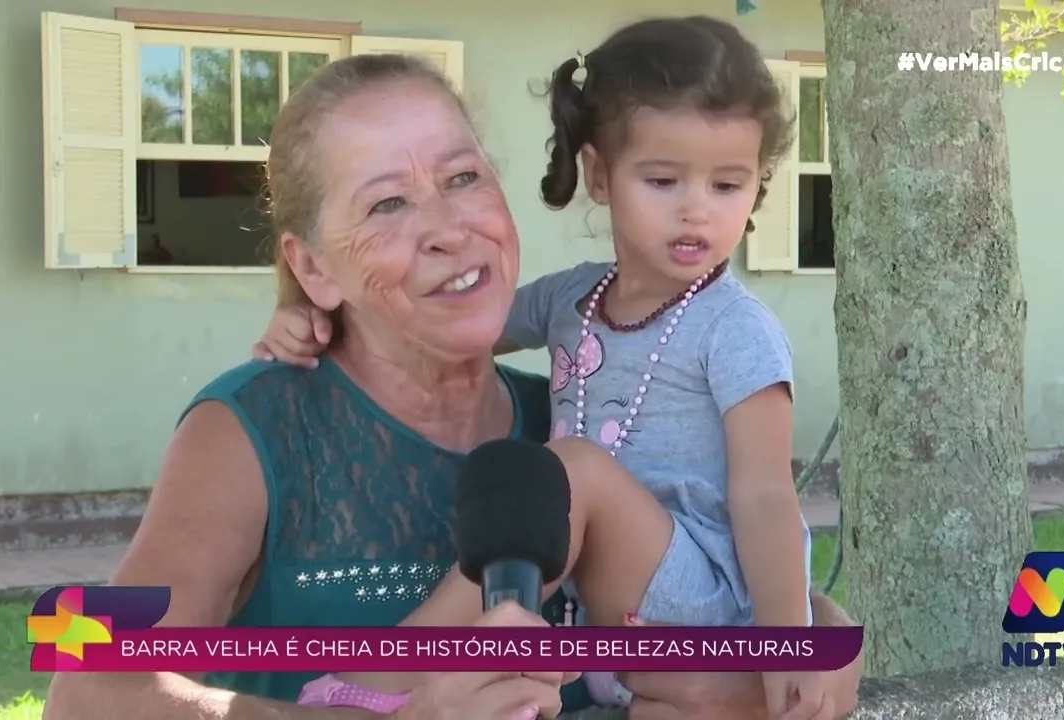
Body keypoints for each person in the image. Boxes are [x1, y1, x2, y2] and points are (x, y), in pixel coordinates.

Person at [43, 44, 862, 720]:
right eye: (387, 204)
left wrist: (816, 628)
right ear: (312, 267)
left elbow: (724, 546)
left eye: (464, 178)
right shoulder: (249, 428)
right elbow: (88, 685)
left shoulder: (576, 420)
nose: (446, 229)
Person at [258, 15, 833, 720]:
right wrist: (318, 314)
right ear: (599, 174)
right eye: (662, 179)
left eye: (727, 185)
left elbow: (768, 498)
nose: (696, 211)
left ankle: (388, 670)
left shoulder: (736, 330)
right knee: (538, 478)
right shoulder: (574, 300)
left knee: (573, 470)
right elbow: (447, 319)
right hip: (606, 623)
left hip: (704, 609)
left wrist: (789, 647)